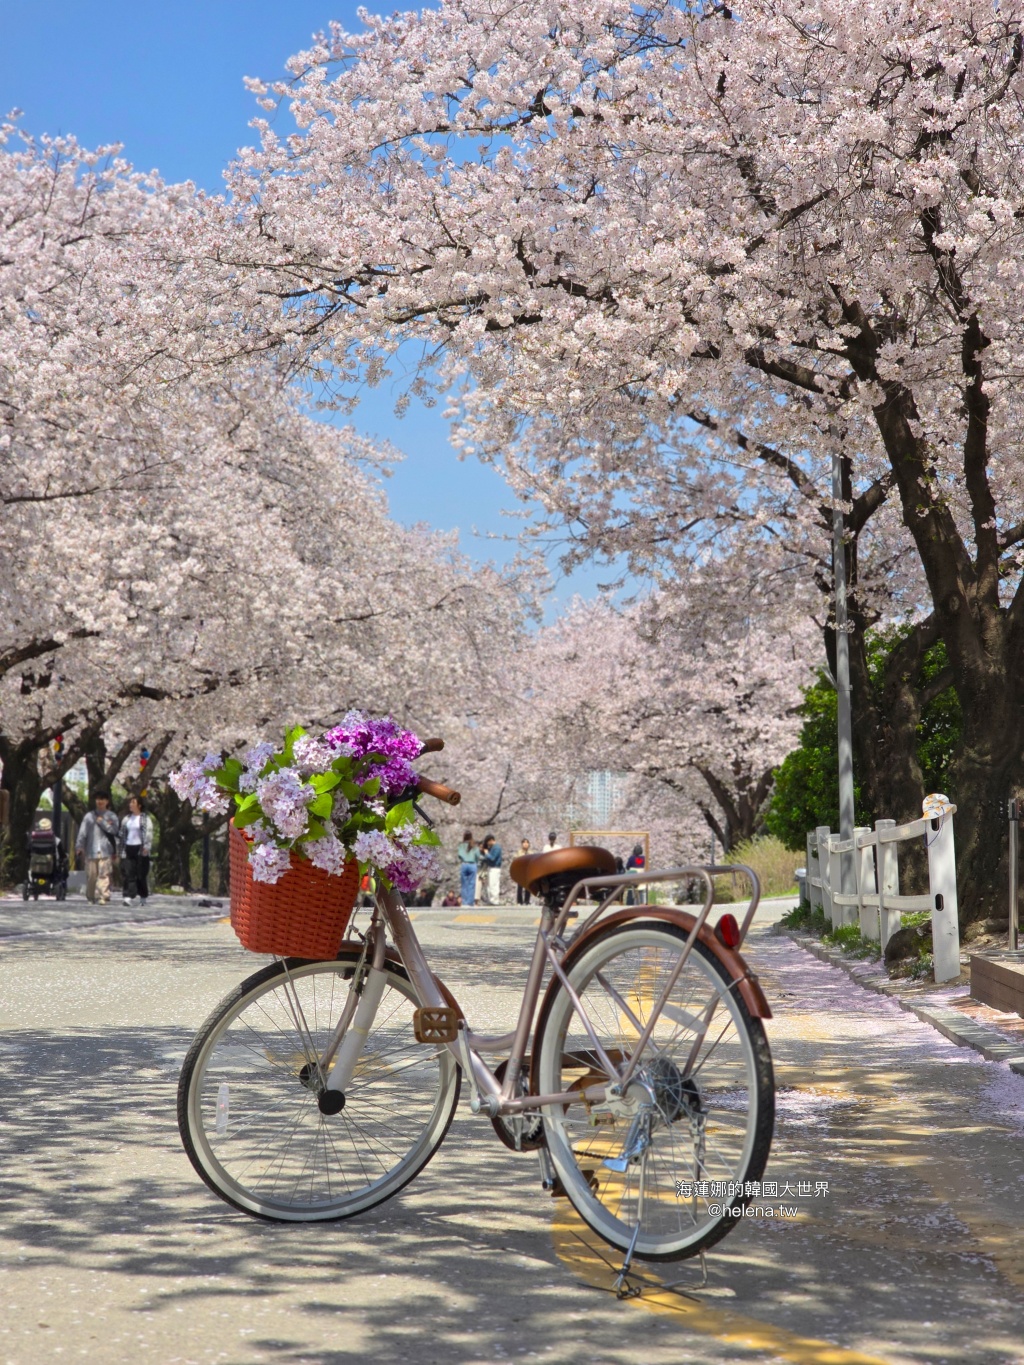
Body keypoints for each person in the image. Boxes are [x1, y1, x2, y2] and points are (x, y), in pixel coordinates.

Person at [75, 790, 120, 905]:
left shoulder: (112, 816)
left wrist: (103, 823)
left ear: (107, 801)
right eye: (98, 799)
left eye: (103, 799)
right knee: (92, 875)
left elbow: (115, 831)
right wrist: (79, 846)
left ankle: (103, 896)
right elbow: (82, 832)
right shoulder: (89, 816)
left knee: (104, 874)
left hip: (105, 850)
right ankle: (90, 896)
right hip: (91, 850)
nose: (100, 802)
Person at [119, 794, 154, 907]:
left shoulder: (145, 819)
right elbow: (122, 834)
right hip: (129, 847)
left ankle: (143, 896)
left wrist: (146, 847)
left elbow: (148, 834)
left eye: (133, 802)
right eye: (130, 802)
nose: (130, 804)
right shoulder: (127, 819)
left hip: (140, 848)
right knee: (129, 873)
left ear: (139, 805)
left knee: (140, 874)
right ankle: (128, 896)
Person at [456, 830, 479, 906]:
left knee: (464, 884)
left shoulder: (461, 845)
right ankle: (470, 902)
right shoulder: (474, 845)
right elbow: (478, 856)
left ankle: (465, 902)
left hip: (464, 864)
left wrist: (465, 857)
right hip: (473, 865)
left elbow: (460, 855)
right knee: (471, 884)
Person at [480, 833, 503, 905]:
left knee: (493, 885)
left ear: (491, 840)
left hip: (495, 868)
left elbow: (492, 858)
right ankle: (491, 899)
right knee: (490, 885)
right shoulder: (492, 848)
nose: (488, 844)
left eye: (488, 842)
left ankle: (494, 900)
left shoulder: (496, 848)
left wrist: (487, 853)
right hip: (491, 868)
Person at [626, 842, 647, 906]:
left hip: (633, 876)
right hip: (641, 876)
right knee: (641, 890)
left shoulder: (631, 858)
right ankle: (642, 903)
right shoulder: (644, 858)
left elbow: (627, 867)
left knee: (631, 890)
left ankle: (630, 903)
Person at [516, 838, 532, 905]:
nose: (525, 844)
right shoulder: (519, 852)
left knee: (528, 887)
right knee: (520, 886)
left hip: (528, 871)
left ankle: (527, 900)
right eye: (524, 842)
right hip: (521, 871)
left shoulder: (531, 852)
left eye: (527, 842)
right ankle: (520, 901)